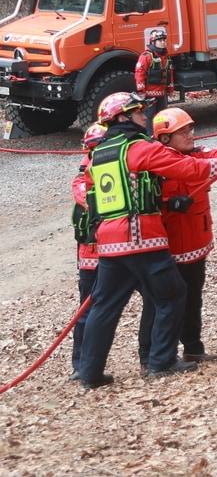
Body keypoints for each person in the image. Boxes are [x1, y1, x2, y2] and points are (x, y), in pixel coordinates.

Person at [72, 93, 217, 388]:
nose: (144, 116)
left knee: (104, 305)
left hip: (109, 243)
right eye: (138, 112)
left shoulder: (99, 155)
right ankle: (161, 362)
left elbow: (90, 195)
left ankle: (89, 373)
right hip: (143, 238)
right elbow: (186, 167)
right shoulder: (138, 148)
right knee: (171, 294)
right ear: (122, 118)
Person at [137, 107, 217, 365]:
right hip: (167, 248)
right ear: (164, 138)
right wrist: (167, 204)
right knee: (160, 302)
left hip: (196, 243)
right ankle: (152, 356)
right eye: (182, 132)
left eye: (190, 129)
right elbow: (141, 200)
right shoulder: (156, 162)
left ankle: (193, 348)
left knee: (193, 298)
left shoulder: (195, 156)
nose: (190, 135)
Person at [68, 122, 107, 377]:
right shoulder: (83, 182)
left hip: (121, 252)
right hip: (92, 257)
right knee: (87, 310)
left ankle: (152, 356)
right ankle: (80, 365)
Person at [134, 28, 175, 121]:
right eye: (160, 40)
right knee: (149, 118)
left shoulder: (166, 57)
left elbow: (169, 74)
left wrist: (170, 89)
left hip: (162, 94)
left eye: (164, 40)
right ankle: (150, 135)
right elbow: (139, 73)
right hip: (149, 95)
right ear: (153, 42)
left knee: (163, 117)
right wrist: (141, 91)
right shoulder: (146, 56)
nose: (163, 42)